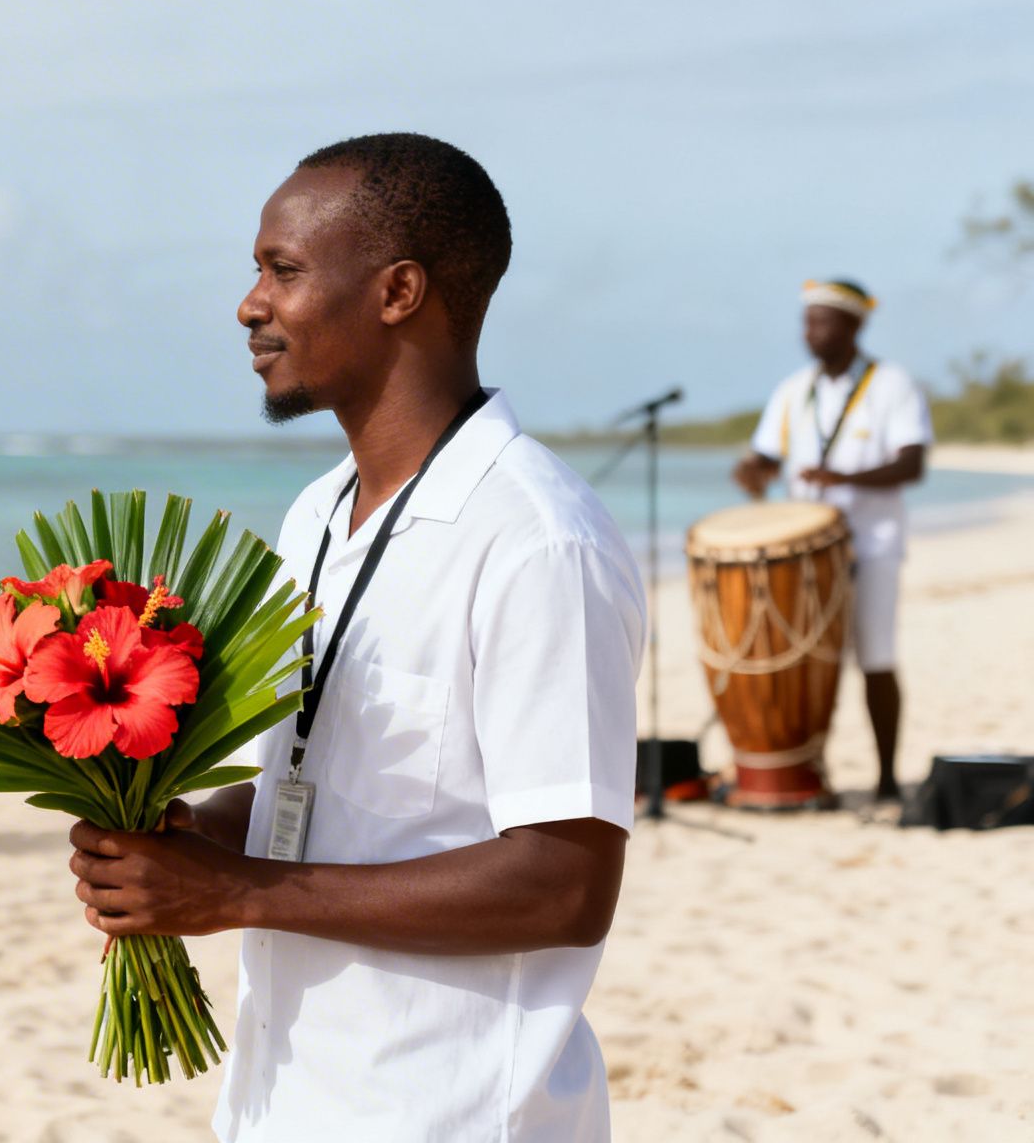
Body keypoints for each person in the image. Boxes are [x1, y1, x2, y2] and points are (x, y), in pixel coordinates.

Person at [66, 134, 645, 1139]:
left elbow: (563, 882)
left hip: (451, 1111)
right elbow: (335, 785)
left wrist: (237, 892)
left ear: (397, 292)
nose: (248, 304)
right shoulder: (316, 515)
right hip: (285, 1095)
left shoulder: (535, 541)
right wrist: (187, 837)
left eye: (280, 270)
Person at [732, 279, 929, 805]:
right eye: (807, 321)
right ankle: (809, 773)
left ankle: (887, 778)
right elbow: (768, 457)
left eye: (822, 321)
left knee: (876, 657)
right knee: (808, 663)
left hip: (873, 545)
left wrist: (840, 480)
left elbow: (913, 462)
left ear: (854, 326)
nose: (810, 331)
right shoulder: (795, 389)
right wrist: (752, 470)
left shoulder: (892, 384)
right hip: (806, 553)